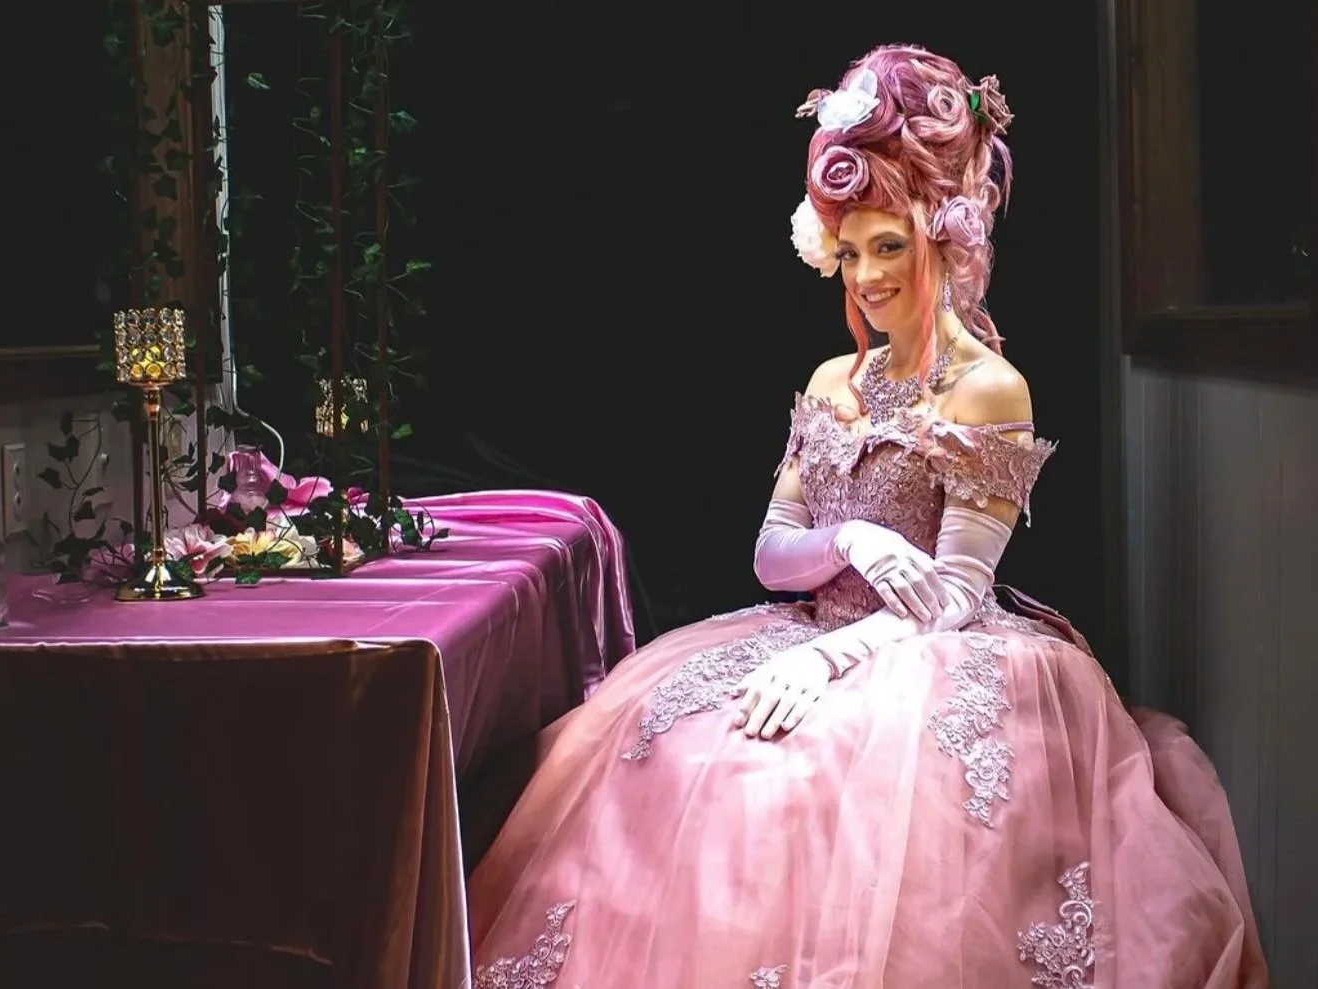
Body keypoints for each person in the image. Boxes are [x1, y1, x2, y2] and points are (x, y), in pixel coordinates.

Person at [466, 44, 1267, 988]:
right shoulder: (830, 380)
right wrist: (848, 538)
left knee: (806, 792)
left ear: (943, 234)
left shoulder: (987, 388)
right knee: (672, 756)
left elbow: (958, 595)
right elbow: (770, 555)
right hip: (805, 622)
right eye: (847, 252)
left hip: (932, 651)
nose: (865, 277)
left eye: (887, 246)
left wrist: (834, 655)